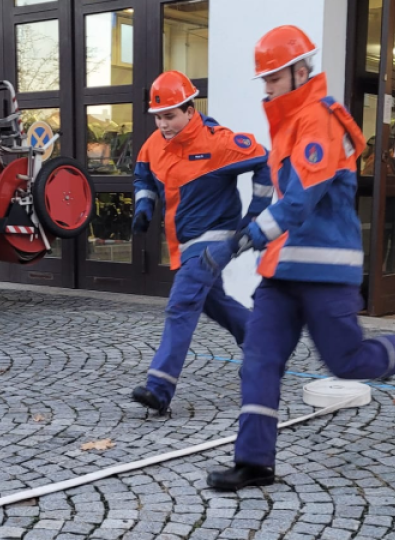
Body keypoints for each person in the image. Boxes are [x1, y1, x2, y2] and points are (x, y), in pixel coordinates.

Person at [201, 26, 395, 491]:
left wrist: (243, 240)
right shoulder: (286, 122)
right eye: (263, 79)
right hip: (282, 272)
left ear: (300, 71)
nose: (266, 87)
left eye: (273, 78)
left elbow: (303, 198)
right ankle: (254, 462)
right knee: (260, 360)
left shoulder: (319, 120)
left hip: (326, 270)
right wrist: (243, 231)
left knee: (346, 362)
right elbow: (275, 192)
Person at [131, 70, 273, 415]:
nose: (164, 124)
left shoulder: (219, 142)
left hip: (215, 240)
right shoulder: (154, 145)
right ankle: (262, 346)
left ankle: (160, 388)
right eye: (159, 116)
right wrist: (144, 205)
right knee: (213, 301)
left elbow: (266, 162)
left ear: (190, 109)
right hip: (183, 242)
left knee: (181, 304)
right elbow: (143, 175)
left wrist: (254, 216)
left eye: (170, 115)